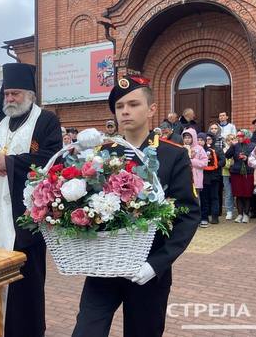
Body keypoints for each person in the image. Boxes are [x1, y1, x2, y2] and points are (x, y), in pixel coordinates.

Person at [72, 76, 200, 337]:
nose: (125, 111)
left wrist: (156, 264)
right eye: (119, 106)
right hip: (104, 265)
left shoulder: (172, 155)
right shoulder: (102, 154)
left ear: (151, 109)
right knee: (86, 330)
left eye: (133, 104)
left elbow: (188, 215)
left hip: (148, 270)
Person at [0, 63, 63, 337]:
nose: (10, 99)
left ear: (29, 94)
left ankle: (23, 331)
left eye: (15, 94)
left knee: (24, 278)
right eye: (7, 94)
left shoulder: (46, 121)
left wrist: (10, 163)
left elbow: (52, 158)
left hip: (22, 218)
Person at [225, 130, 256, 223]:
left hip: (248, 172)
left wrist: (247, 158)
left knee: (247, 194)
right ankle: (239, 214)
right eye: (238, 136)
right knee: (238, 194)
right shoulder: (235, 145)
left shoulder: (253, 146)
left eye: (242, 136)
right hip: (236, 172)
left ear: (246, 136)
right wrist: (232, 146)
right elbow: (227, 155)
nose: (239, 138)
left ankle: (246, 214)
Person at [200, 132, 225, 225]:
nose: (208, 141)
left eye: (209, 139)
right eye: (206, 139)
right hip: (203, 177)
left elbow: (223, 161)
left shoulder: (217, 149)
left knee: (214, 197)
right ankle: (204, 217)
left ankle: (215, 217)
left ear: (213, 140)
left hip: (214, 177)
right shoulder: (201, 150)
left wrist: (215, 165)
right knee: (204, 198)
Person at [182, 128, 207, 221]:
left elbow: (204, 163)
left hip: (195, 178)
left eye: (189, 137)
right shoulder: (181, 148)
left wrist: (191, 161)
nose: (187, 139)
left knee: (196, 198)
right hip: (184, 178)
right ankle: (187, 218)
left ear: (193, 138)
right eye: (185, 137)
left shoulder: (199, 149)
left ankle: (197, 218)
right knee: (186, 199)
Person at [222, 134, 237, 220]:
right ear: (226, 142)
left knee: (237, 192)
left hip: (236, 173)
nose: (231, 141)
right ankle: (229, 211)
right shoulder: (224, 150)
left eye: (233, 139)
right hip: (226, 174)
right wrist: (230, 164)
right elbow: (224, 163)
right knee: (228, 193)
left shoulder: (237, 148)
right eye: (228, 140)